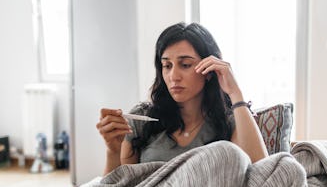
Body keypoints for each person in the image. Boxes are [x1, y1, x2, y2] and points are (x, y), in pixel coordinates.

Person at [96, 22, 268, 175]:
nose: (173, 76)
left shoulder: (231, 120)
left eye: (185, 65)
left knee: (287, 167)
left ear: (209, 71)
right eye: (167, 66)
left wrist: (235, 92)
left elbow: (262, 176)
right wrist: (113, 151)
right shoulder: (142, 120)